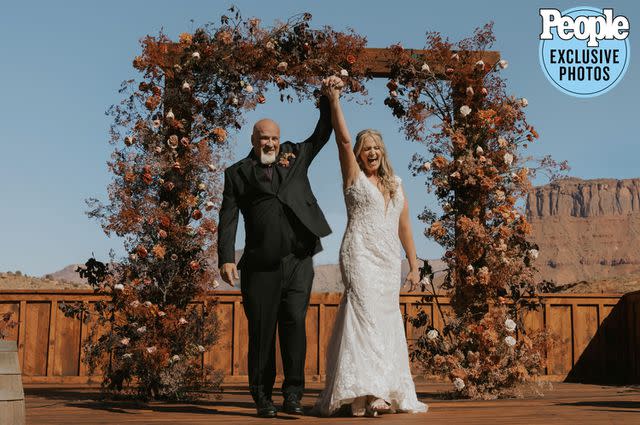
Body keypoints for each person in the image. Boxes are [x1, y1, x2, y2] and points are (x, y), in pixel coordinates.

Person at [313, 76, 428, 416]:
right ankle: (366, 390)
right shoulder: (353, 178)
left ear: (383, 152)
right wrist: (335, 99)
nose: (372, 152)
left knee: (386, 319)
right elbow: (343, 140)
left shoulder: (396, 184)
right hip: (359, 254)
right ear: (360, 156)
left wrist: (414, 264)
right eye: (367, 148)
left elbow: (405, 226)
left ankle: (377, 390)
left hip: (389, 260)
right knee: (363, 317)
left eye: (377, 147)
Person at [217, 89, 333, 418]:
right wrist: (226, 256)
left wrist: (327, 99)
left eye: (275, 138)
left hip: (299, 260)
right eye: (264, 138)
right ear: (254, 139)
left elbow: (323, 132)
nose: (270, 143)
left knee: (295, 323)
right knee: (262, 331)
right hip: (260, 265)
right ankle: (262, 396)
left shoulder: (295, 155)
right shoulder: (237, 173)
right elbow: (227, 218)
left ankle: (293, 394)